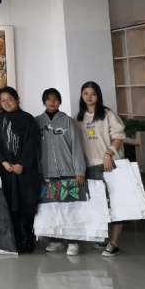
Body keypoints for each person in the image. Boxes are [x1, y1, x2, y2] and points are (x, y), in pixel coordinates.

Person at [76, 81, 127, 257]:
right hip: (89, 166)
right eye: (85, 93)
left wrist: (108, 154)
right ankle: (105, 238)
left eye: (93, 93)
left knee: (115, 205)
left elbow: (119, 136)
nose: (89, 97)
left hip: (109, 164)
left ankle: (114, 243)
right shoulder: (78, 117)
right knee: (100, 205)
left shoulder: (107, 114)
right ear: (81, 96)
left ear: (98, 95)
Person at [36, 87, 86, 256]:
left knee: (70, 209)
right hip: (46, 173)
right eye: (48, 99)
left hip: (68, 171)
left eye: (55, 99)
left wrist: (79, 170)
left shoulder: (68, 121)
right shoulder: (37, 122)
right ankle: (56, 240)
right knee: (52, 209)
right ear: (44, 101)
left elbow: (76, 146)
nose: (52, 102)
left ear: (60, 102)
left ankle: (73, 242)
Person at [0, 86, 40, 254]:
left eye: (9, 99)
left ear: (17, 100)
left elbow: (32, 143)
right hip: (7, 170)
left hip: (25, 171)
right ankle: (17, 240)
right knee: (11, 205)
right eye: (2, 100)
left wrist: (22, 163)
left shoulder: (28, 119)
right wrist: (3, 162)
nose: (6, 103)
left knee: (27, 204)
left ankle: (28, 239)